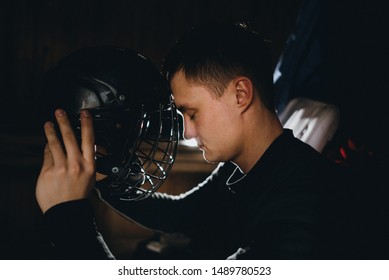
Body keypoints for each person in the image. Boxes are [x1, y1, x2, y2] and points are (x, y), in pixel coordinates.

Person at [36, 22, 349, 260]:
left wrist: (69, 220)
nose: (187, 131)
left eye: (192, 112)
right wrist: (105, 179)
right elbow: (177, 214)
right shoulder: (239, 169)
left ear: (240, 94)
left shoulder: (303, 198)